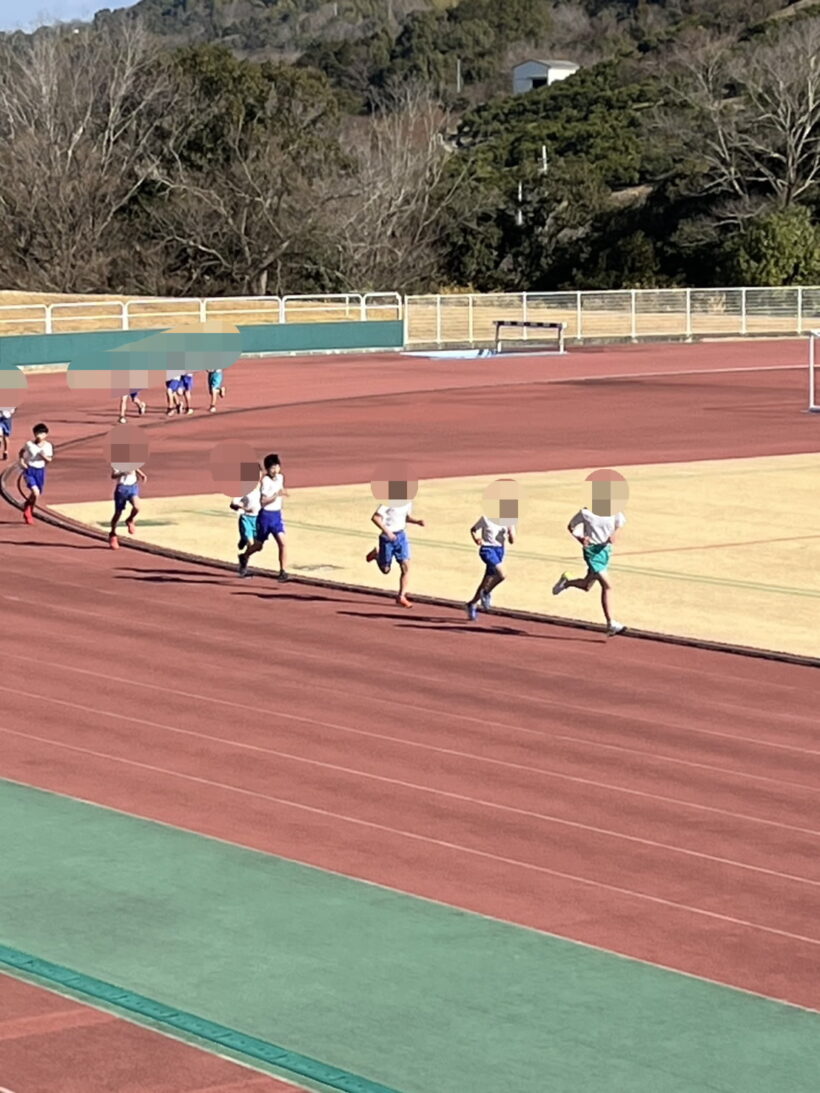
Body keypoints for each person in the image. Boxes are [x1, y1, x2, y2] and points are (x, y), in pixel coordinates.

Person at [552, 469, 628, 636]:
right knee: (608, 585)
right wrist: (581, 538)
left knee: (587, 586)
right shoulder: (586, 513)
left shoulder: (614, 511)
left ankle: (567, 582)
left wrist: (614, 535)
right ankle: (611, 623)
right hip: (592, 552)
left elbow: (619, 525)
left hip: (605, 551)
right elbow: (571, 526)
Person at [366, 484, 425, 608]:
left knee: (406, 566)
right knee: (385, 570)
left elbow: (406, 518)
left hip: (401, 536)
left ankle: (401, 596)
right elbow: (375, 518)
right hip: (387, 538)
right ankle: (376, 555)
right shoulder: (388, 503)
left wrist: (417, 522)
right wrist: (388, 531)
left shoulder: (408, 502)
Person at [238, 453, 289, 581]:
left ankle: (283, 571)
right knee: (258, 546)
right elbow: (263, 501)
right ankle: (244, 556)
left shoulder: (281, 478)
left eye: (277, 467)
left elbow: (281, 491)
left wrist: (283, 494)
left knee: (283, 543)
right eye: (272, 468)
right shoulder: (265, 481)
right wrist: (276, 495)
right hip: (266, 517)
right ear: (267, 469)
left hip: (276, 516)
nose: (275, 470)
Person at [466, 512, 515, 621]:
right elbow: (473, 529)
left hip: (499, 551)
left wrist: (510, 533)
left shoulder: (509, 521)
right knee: (502, 575)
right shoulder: (486, 518)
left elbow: (512, 541)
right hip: (487, 550)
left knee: (486, 580)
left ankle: (472, 603)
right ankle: (487, 592)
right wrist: (476, 539)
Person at [19, 423, 53, 525]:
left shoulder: (48, 446)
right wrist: (22, 461)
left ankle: (28, 506)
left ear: (46, 434)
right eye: (38, 433)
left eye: (42, 433)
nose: (40, 435)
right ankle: (29, 511)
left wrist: (43, 456)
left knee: (37, 494)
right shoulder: (29, 444)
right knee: (35, 492)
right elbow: (21, 452)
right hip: (30, 470)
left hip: (40, 470)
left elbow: (49, 460)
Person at [108, 465, 148, 549]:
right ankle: (113, 534)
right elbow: (113, 476)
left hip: (132, 487)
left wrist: (141, 474)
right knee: (118, 514)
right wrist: (124, 472)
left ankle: (130, 519)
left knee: (137, 507)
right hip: (122, 489)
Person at [230, 481, 261, 557]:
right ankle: (245, 561)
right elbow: (233, 504)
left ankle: (243, 543)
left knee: (258, 546)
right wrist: (240, 506)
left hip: (257, 519)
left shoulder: (261, 491)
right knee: (251, 544)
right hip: (246, 518)